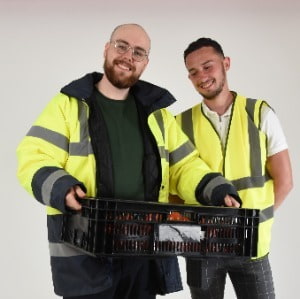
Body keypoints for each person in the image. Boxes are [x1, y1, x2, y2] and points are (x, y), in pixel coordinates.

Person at [16, 25, 241, 299]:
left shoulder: (158, 115)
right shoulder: (69, 105)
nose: (128, 56)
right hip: (86, 253)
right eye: (121, 46)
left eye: (138, 52)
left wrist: (217, 189)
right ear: (106, 48)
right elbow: (32, 155)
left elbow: (185, 166)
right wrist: (62, 188)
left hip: (143, 253)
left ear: (145, 63)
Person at [175, 37, 293, 299]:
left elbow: (285, 181)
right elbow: (174, 188)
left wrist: (255, 225)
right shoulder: (179, 125)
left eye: (208, 67)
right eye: (193, 72)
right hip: (201, 248)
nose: (202, 76)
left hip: (251, 246)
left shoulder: (260, 113)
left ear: (225, 64)